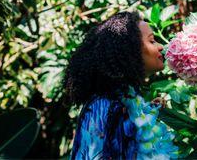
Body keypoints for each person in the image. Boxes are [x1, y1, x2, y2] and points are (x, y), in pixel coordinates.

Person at [64, 12, 178, 159]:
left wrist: (149, 111)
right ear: (130, 51)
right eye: (152, 41)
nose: (161, 46)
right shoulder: (102, 106)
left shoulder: (124, 100)